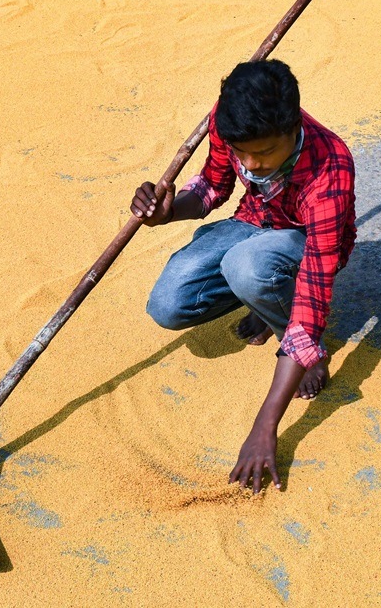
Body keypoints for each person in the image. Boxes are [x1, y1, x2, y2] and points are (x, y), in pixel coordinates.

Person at [130, 59, 356, 493]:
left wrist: (265, 426)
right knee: (167, 305)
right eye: (243, 153)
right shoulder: (227, 120)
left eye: (266, 152)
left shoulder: (331, 167)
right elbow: (213, 188)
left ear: (293, 127)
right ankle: (259, 294)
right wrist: (166, 213)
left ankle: (292, 336)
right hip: (251, 222)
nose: (252, 163)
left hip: (304, 243)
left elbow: (314, 287)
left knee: (249, 267)